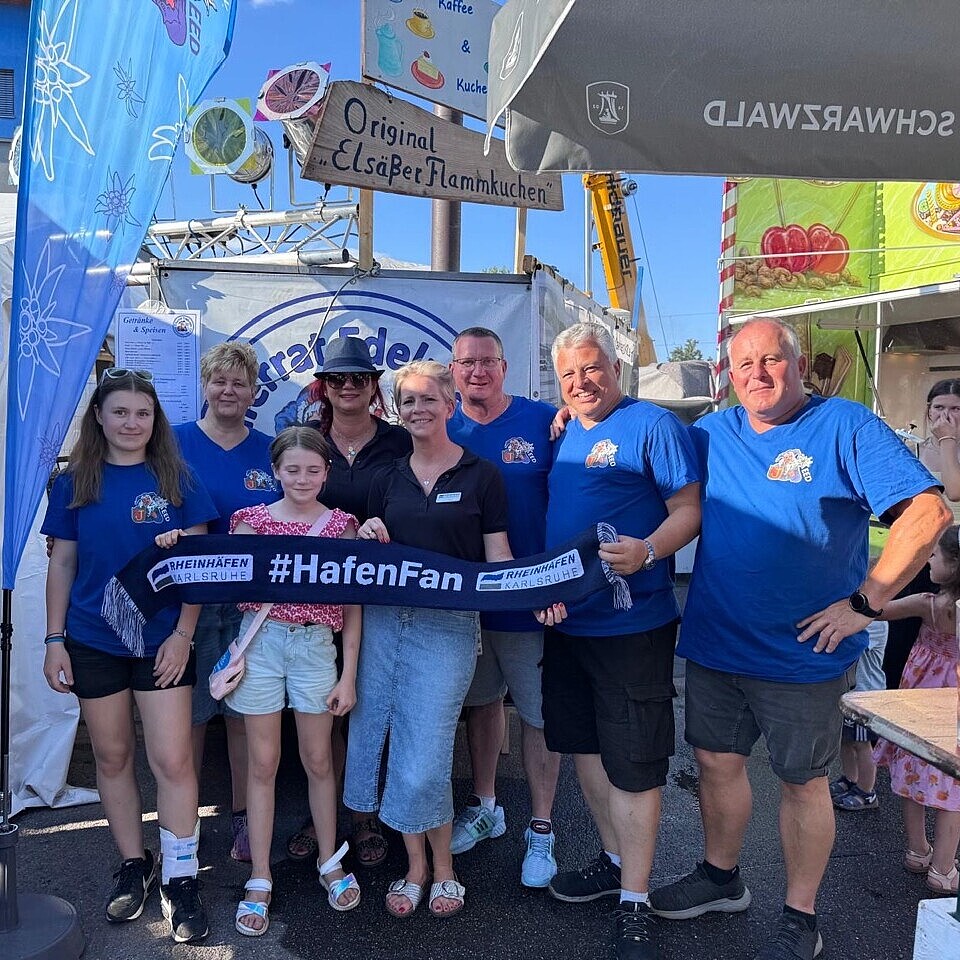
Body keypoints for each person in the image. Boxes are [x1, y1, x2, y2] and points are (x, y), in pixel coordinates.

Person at [650, 318, 951, 960]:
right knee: (714, 764)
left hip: (803, 654)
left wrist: (865, 604)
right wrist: (564, 421)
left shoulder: (845, 425)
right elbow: (645, 458)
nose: (758, 374)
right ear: (729, 375)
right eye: (744, 364)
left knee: (803, 782)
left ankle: (800, 913)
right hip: (715, 642)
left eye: (772, 359)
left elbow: (928, 515)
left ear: (798, 361)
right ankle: (721, 877)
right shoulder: (712, 432)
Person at [343, 360, 563, 919]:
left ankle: (444, 869)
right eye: (407, 401)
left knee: (429, 751)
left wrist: (532, 592)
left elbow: (498, 557)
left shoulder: (481, 474)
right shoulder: (385, 478)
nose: (417, 410)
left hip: (449, 628)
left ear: (449, 403)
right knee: (393, 745)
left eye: (427, 400)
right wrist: (366, 531)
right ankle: (416, 867)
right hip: (387, 625)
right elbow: (363, 548)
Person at [161, 427, 363, 935]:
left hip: (317, 646)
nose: (302, 479)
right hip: (262, 645)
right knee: (264, 763)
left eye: (313, 470)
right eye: (292, 469)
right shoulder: (249, 522)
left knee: (319, 759)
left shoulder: (342, 527)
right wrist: (175, 543)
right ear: (275, 471)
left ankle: (328, 861)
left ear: (327, 473)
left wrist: (350, 675)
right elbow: (215, 571)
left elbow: (355, 606)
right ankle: (259, 876)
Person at [543, 322, 702, 960]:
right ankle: (612, 864)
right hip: (567, 621)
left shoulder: (652, 426)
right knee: (584, 746)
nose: (582, 383)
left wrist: (650, 549)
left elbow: (689, 508)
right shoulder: (562, 431)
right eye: (569, 375)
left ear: (616, 369)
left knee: (635, 762)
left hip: (633, 624)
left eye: (593, 369)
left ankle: (635, 898)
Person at [41, 368, 216, 943]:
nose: (131, 423)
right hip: (93, 639)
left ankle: (181, 875)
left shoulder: (178, 477)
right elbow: (62, 563)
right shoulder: (72, 483)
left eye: (143, 413)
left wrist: (183, 634)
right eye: (120, 412)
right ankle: (134, 865)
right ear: (99, 417)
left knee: (172, 761)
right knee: (113, 758)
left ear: (155, 420)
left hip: (162, 639)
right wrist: (53, 639)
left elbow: (199, 567)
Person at [285, 335, 412, 869]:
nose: (348, 387)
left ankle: (362, 814)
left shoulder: (401, 441)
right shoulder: (307, 441)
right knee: (324, 709)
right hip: (318, 599)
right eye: (337, 378)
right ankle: (326, 817)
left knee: (369, 706)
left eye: (358, 378)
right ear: (323, 387)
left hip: (383, 596)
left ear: (373, 385)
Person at [446, 326, 562, 888]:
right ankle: (486, 805)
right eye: (466, 363)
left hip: (531, 601)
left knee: (539, 716)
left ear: (504, 366)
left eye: (487, 362)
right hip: (467, 604)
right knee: (483, 704)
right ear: (453, 371)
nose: (477, 372)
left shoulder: (544, 421)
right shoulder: (442, 425)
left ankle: (541, 829)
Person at [174, 341, 279, 863]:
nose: (229, 391)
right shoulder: (171, 443)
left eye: (239, 383)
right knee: (189, 716)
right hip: (188, 604)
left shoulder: (269, 451)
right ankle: (184, 822)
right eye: (220, 381)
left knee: (241, 713)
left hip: (249, 606)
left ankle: (242, 817)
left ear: (254, 391)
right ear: (205, 385)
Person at [874, 525, 960, 894]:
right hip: (949, 708)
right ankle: (943, 869)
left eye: (934, 555)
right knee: (952, 785)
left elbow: (877, 612)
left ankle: (917, 850)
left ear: (955, 566)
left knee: (912, 772)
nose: (928, 560)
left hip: (916, 701)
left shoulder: (926, 603)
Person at [829, 619, 888, 812]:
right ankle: (850, 778)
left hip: (866, 696)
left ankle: (867, 791)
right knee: (846, 739)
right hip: (849, 694)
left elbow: (851, 644)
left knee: (862, 744)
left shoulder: (876, 623)